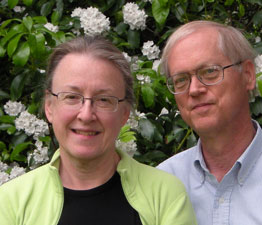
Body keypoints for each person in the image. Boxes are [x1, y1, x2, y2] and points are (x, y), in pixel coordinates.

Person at [0, 36, 197, 225]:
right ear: (49, 107)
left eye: (104, 100)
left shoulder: (165, 195)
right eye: (72, 97)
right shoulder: (11, 201)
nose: (86, 115)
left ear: (124, 114)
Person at [157, 20, 262, 225]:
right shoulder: (164, 181)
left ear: (248, 75)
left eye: (209, 72)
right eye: (181, 79)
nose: (194, 89)